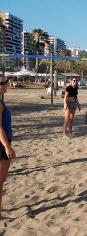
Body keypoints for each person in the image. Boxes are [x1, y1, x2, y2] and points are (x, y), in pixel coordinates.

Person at [0, 76, 15, 218]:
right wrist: (7, 146)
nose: (6, 85)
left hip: (4, 142)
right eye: (3, 83)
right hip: (2, 144)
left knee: (2, 180)